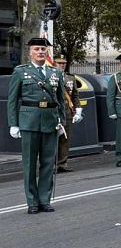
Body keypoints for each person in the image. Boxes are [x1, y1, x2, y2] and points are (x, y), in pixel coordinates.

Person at [7, 38, 68, 214]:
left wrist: (61, 121)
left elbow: (60, 101)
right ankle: (32, 202)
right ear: (30, 52)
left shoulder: (55, 73)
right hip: (29, 122)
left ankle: (44, 200)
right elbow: (12, 100)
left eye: (43, 49)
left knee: (48, 163)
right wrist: (13, 124)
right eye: (37, 49)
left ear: (47, 52)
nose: (40, 52)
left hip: (50, 121)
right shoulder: (21, 72)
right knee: (29, 164)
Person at [54, 57, 82, 173]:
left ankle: (62, 163)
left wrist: (78, 109)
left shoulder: (70, 77)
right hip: (54, 110)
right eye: (60, 63)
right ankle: (51, 164)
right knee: (52, 139)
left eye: (64, 63)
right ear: (54, 64)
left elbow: (75, 95)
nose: (62, 65)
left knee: (65, 138)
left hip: (67, 111)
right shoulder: (51, 76)